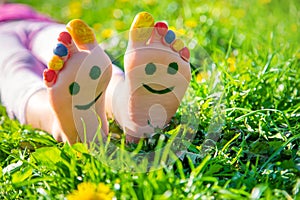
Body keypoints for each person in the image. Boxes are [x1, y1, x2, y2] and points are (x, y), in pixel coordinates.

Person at [0, 3, 191, 144]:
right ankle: (60, 121)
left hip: (41, 26)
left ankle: (127, 107)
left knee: (75, 54)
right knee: (17, 69)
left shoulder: (21, 8)